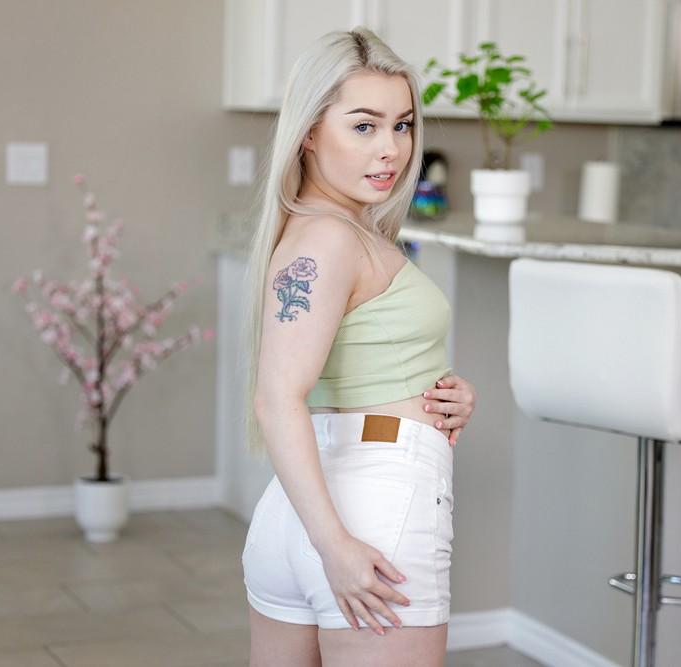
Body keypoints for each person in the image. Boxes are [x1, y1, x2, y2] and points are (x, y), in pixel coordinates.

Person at [240, 26, 478, 667]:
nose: (391, 150)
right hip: (369, 516)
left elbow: (356, 364)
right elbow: (276, 399)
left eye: (402, 126)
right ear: (309, 132)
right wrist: (335, 546)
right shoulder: (330, 238)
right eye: (364, 126)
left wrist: (440, 391)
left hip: (294, 514)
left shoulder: (328, 229)